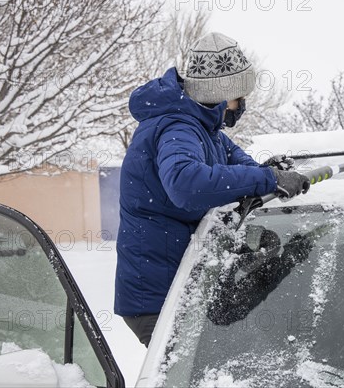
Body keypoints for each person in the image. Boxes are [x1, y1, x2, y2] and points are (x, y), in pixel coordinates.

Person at [114, 32, 310, 347]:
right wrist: (266, 179)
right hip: (159, 298)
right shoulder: (178, 126)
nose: (241, 104)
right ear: (218, 94)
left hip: (181, 287)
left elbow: (236, 163)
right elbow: (185, 184)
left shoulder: (204, 128)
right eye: (238, 95)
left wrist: (266, 172)